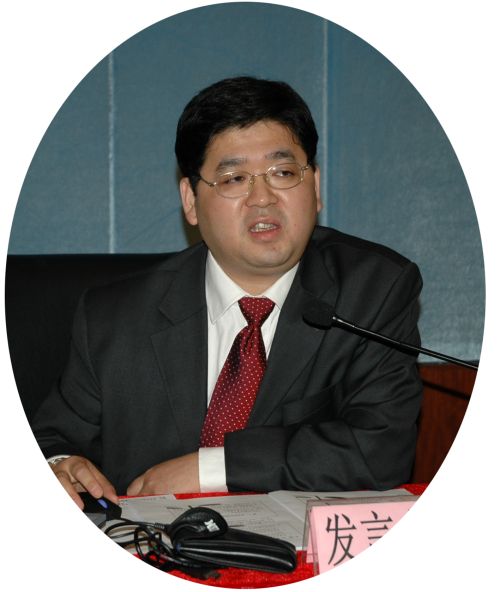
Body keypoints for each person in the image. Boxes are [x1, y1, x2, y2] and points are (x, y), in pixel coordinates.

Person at [32, 76, 423, 509]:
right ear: (190, 201)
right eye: (234, 178)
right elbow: (51, 439)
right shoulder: (114, 317)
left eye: (283, 173)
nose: (263, 198)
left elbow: (381, 450)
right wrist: (59, 464)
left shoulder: (373, 291)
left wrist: (210, 469)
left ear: (314, 187)